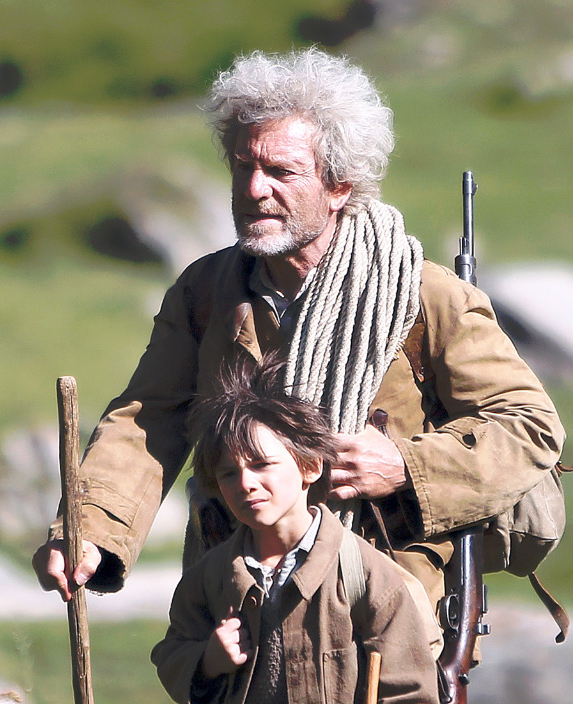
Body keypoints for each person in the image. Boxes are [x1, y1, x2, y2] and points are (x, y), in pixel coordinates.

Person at [33, 48, 563, 626]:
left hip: (386, 617)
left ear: (339, 186)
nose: (254, 189)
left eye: (281, 172)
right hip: (245, 607)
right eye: (242, 167)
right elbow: (148, 420)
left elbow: (530, 428)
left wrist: (405, 468)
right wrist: (90, 531)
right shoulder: (206, 292)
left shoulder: (424, 295)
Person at [151, 356, 458, 704]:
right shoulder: (212, 577)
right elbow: (171, 653)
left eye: (262, 465)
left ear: (309, 466)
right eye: (228, 474)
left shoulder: (366, 576)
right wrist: (207, 659)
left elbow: (408, 695)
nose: (245, 483)